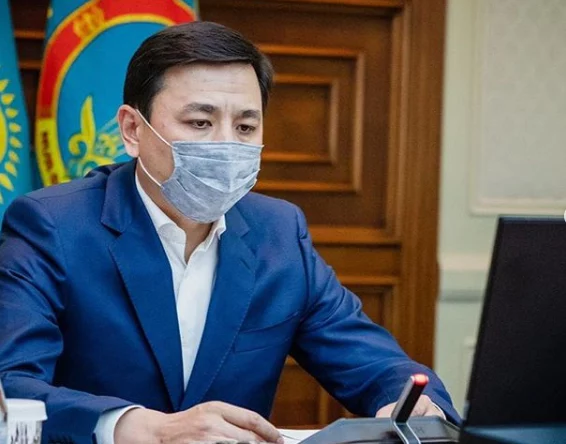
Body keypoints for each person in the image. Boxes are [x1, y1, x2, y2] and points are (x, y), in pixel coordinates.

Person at [0, 21, 458, 444]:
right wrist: (140, 427)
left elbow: (375, 364)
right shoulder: (53, 225)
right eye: (200, 123)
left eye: (245, 126)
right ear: (133, 129)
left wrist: (416, 408)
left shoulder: (279, 233)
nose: (226, 144)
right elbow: (11, 385)